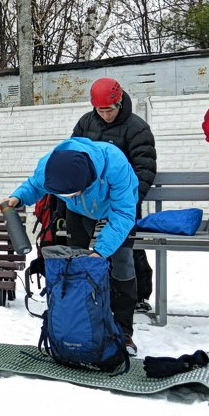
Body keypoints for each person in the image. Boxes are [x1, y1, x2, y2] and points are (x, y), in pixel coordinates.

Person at [0, 137, 140, 354]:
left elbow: (124, 213)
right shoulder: (49, 165)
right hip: (80, 211)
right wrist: (18, 197)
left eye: (70, 193)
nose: (66, 197)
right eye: (61, 195)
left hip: (117, 209)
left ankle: (123, 331)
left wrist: (101, 251)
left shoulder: (115, 164)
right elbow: (35, 185)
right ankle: (77, 326)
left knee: (122, 263)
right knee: (75, 265)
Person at [72, 77, 157, 312]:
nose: (105, 115)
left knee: (125, 248)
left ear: (119, 103)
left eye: (109, 110)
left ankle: (137, 295)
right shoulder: (85, 123)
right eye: (100, 110)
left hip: (123, 199)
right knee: (88, 245)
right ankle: (91, 293)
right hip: (91, 201)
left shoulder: (137, 127)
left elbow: (145, 169)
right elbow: (74, 159)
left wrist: (129, 202)